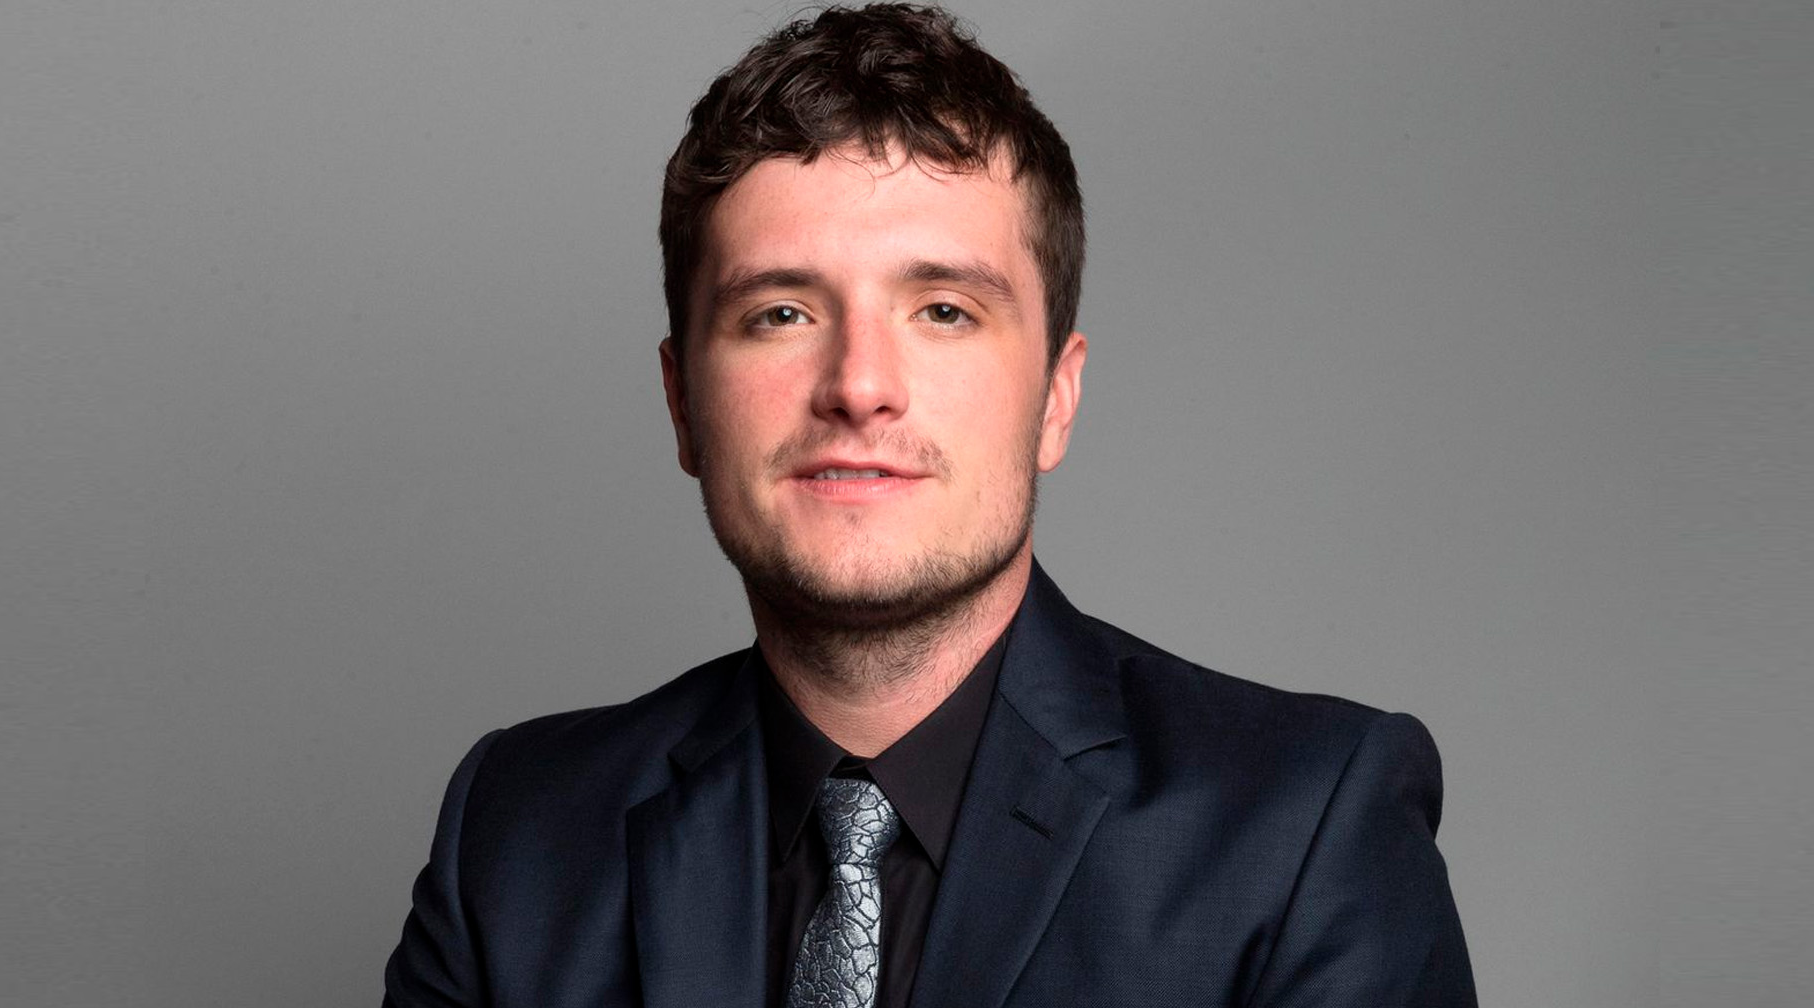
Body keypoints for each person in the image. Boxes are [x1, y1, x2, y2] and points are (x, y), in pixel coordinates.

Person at [381, 5, 1476, 1007]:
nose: (860, 384)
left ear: (1055, 398)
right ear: (682, 405)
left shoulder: (1304, 830)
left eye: (944, 309)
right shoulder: (517, 841)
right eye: (780, 313)